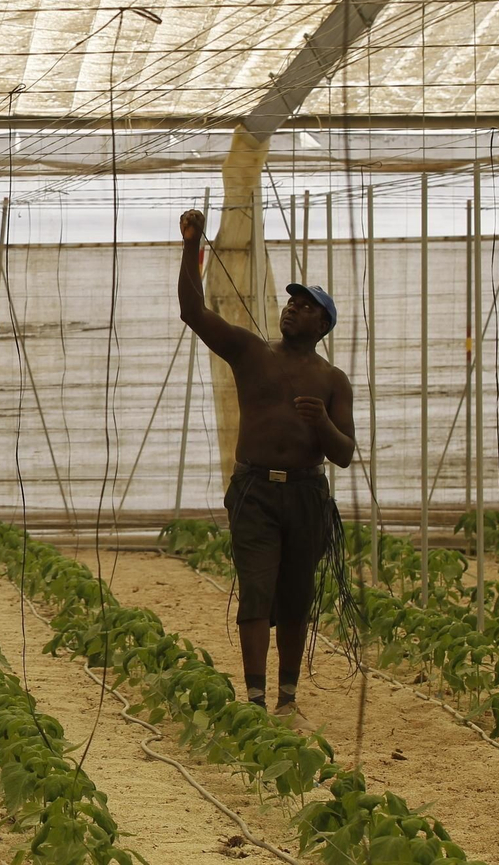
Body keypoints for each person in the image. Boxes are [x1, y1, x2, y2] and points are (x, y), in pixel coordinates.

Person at [177, 208, 356, 717]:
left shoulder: (332, 381)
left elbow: (343, 454)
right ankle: (255, 698)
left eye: (305, 307)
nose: (292, 308)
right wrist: (192, 245)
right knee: (256, 589)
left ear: (323, 324)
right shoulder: (251, 352)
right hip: (254, 490)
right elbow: (193, 311)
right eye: (291, 301)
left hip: (305, 495)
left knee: (296, 596)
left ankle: (288, 697)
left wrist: (321, 422)